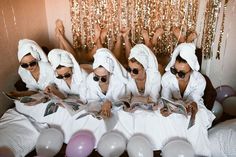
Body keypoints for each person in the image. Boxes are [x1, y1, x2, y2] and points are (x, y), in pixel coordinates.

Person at [160, 43, 215, 156]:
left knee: (197, 120)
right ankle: (172, 151)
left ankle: (199, 153)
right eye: (174, 71)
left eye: (181, 73)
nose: (176, 76)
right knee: (164, 118)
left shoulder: (200, 80)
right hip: (174, 107)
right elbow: (165, 99)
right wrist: (165, 109)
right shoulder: (166, 78)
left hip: (195, 106)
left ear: (191, 71)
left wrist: (192, 109)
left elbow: (194, 101)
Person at [86, 48, 129, 118]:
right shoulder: (90, 79)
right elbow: (91, 100)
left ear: (110, 73)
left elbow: (121, 102)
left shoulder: (118, 81)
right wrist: (102, 105)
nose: (99, 80)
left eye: (103, 78)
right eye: (96, 77)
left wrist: (110, 104)